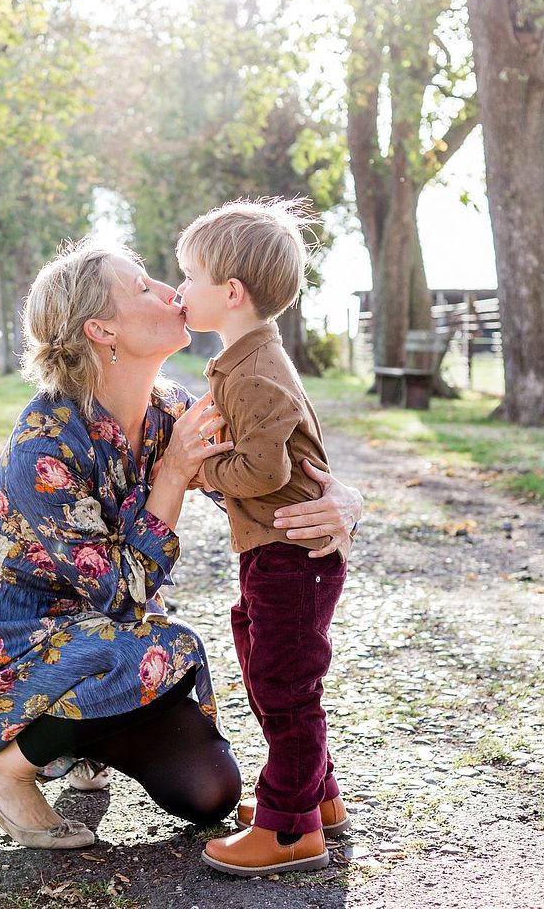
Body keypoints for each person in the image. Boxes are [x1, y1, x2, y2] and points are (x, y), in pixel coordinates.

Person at [0, 237, 363, 850]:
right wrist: (172, 475)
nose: (170, 292)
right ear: (102, 330)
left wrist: (343, 501)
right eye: (142, 287)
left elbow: (265, 478)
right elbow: (120, 595)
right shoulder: (44, 445)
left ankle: (82, 747)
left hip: (119, 651)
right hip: (21, 651)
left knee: (208, 793)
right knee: (160, 643)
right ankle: (7, 771)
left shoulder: (173, 412)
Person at [174, 198, 355, 877]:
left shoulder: (252, 372)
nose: (180, 290)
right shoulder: (244, 360)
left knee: (285, 687)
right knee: (267, 666)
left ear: (230, 293)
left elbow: (263, 468)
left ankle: (289, 830)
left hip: (290, 558)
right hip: (278, 555)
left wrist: (198, 469)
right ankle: (317, 799)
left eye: (188, 277)